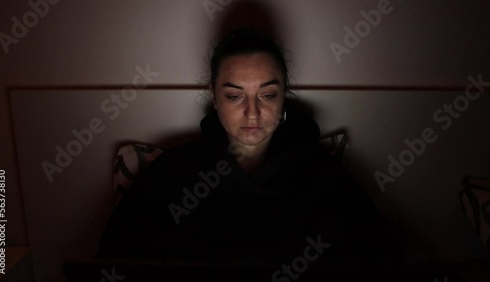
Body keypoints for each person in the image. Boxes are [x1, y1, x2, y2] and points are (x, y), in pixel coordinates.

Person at [96, 28, 405, 273]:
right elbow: (114, 260)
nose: (253, 112)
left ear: (284, 97)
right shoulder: (172, 174)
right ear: (215, 99)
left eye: (268, 94)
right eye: (234, 96)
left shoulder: (322, 174)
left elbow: (380, 258)